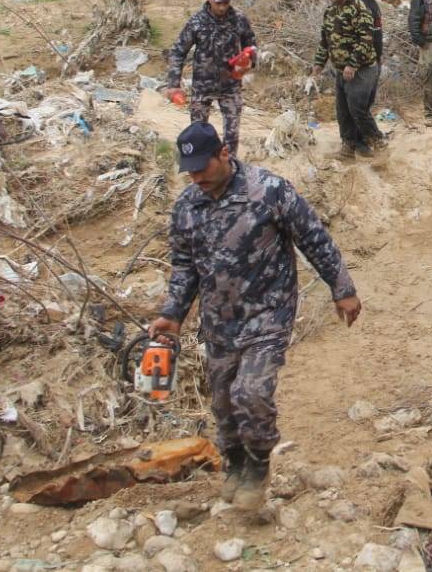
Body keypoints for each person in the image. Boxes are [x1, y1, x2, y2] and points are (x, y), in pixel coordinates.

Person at [148, 122, 362, 512]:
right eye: (189, 171)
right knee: (224, 400)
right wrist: (173, 314)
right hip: (218, 320)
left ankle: (258, 464)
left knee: (251, 391)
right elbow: (184, 267)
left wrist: (342, 288)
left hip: (268, 312)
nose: (196, 177)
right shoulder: (186, 207)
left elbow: (313, 237)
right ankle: (235, 463)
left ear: (224, 154)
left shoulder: (269, 191)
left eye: (202, 167)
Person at [165, 0, 257, 157]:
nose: (222, 7)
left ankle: (229, 169)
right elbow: (178, 51)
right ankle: (199, 168)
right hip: (202, 87)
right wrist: (174, 84)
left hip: (231, 86)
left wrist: (248, 60)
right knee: (198, 135)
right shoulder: (196, 21)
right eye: (218, 3)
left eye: (226, 2)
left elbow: (251, 45)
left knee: (231, 136)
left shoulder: (239, 20)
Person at [312, 0, 383, 158]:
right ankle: (348, 148)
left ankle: (378, 142)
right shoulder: (330, 12)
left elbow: (366, 39)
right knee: (343, 112)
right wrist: (319, 63)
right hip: (341, 71)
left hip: (362, 69)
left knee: (357, 109)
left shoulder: (359, 8)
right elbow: (325, 41)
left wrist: (352, 64)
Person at [359, 0, 387, 103]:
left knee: (368, 102)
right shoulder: (359, 5)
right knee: (360, 103)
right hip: (363, 65)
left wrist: (379, 57)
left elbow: (376, 33)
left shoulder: (374, 4)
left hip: (374, 63)